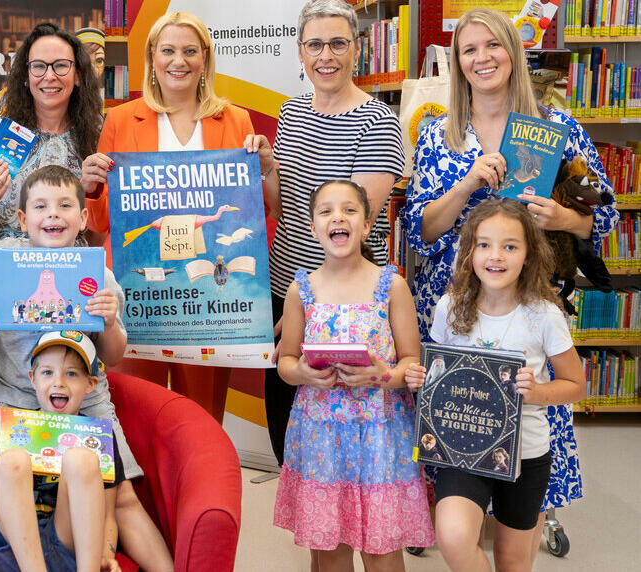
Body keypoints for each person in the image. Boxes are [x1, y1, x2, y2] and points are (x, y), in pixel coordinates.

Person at [400, 5, 618, 537]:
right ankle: (459, 516)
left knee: (529, 411)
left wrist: (564, 216)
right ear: (457, 63)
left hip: (528, 309)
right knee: (464, 417)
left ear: (513, 52)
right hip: (453, 307)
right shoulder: (438, 136)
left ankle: (521, 522)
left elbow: (604, 214)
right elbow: (417, 230)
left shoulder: (557, 128)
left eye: (492, 45)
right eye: (468, 50)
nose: (482, 58)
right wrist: (466, 185)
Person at [0, 166, 173, 572]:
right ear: (23, 219)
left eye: (65, 206)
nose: (53, 215)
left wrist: (109, 322)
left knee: (124, 496)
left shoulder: (99, 273)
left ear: (82, 218)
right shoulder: (0, 262)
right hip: (12, 402)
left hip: (85, 402)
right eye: (40, 206)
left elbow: (112, 357)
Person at [80, 10, 265, 424]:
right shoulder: (121, 120)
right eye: (168, 50)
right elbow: (101, 220)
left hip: (207, 294)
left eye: (189, 51)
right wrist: (90, 185)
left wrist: (262, 168)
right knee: (131, 414)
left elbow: (258, 208)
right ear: (152, 57)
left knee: (200, 419)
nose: (178, 61)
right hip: (139, 291)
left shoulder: (235, 121)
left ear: (205, 58)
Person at [259, 0, 406, 465]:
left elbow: (348, 230)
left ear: (357, 49)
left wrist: (309, 299)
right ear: (300, 53)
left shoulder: (379, 121)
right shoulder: (291, 112)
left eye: (338, 43)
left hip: (346, 303)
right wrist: (267, 170)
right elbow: (285, 210)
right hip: (288, 290)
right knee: (291, 428)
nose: (327, 54)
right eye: (315, 44)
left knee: (352, 441)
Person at [406, 199, 585, 571]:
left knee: (512, 564)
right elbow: (436, 377)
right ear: (469, 252)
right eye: (484, 244)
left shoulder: (545, 315)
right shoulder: (449, 308)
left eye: (510, 246)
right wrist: (420, 380)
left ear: (529, 254)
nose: (496, 256)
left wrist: (537, 392)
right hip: (461, 452)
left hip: (526, 455)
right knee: (454, 535)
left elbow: (575, 385)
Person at [273, 181, 433, 568]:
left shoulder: (391, 286)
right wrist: (305, 375)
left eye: (349, 210)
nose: (337, 217)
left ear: (366, 225)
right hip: (320, 438)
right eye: (326, 211)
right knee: (330, 551)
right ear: (313, 227)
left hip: (380, 436)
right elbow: (286, 363)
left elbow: (412, 363)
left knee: (382, 552)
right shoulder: (301, 290)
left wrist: (382, 376)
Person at [0, 332, 122, 572]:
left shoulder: (98, 437)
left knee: (82, 458)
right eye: (47, 372)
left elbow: (107, 516)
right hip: (12, 546)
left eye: (71, 373)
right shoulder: (11, 428)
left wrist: (105, 555)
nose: (59, 382)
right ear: (32, 379)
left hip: (66, 543)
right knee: (13, 459)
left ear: (90, 384)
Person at [0, 23, 103, 243]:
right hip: (11, 267)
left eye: (61, 66)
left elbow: (97, 237)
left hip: (73, 269)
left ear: (78, 75)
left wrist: (89, 195)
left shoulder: (97, 136)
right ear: (26, 75)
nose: (49, 76)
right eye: (39, 66)